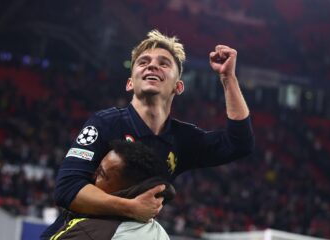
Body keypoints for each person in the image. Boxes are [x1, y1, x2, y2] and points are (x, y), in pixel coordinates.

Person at [41, 29, 254, 238]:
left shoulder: (182, 139)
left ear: (178, 87)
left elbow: (240, 143)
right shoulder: (105, 123)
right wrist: (131, 207)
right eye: (143, 62)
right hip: (80, 230)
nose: (152, 65)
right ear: (130, 83)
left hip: (129, 232)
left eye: (164, 63)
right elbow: (67, 188)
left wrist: (228, 78)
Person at [49, 140, 175, 240]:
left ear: (128, 189)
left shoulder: (87, 232)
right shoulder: (161, 235)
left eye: (101, 174)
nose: (93, 176)